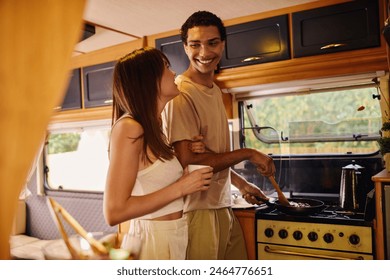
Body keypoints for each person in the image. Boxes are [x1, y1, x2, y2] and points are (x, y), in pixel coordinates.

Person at [165, 11, 276, 260]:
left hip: (220, 205)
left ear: (223, 44)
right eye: (195, 44)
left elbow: (211, 156)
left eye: (212, 43)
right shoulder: (181, 95)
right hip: (196, 211)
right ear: (185, 48)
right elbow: (190, 163)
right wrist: (249, 152)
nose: (204, 53)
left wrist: (241, 183)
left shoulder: (215, 91)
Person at [103, 47, 213, 260]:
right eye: (166, 68)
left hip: (174, 234)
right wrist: (181, 187)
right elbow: (114, 211)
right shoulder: (129, 128)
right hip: (152, 240)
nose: (173, 73)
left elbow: (153, 182)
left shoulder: (154, 128)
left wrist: (186, 162)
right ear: (149, 80)